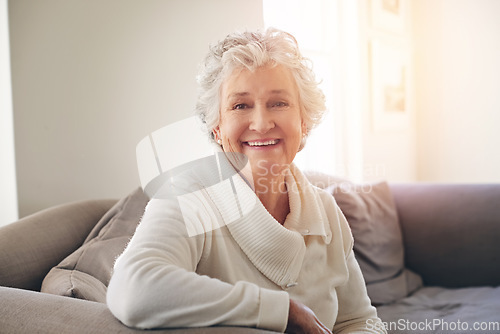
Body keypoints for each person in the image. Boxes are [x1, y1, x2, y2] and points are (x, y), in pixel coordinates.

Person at [107, 28, 386, 334]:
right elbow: (134, 289)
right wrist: (284, 311)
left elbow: (359, 320)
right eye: (240, 106)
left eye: (278, 103)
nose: (262, 123)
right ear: (217, 126)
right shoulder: (188, 194)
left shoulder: (326, 210)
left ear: (303, 120)